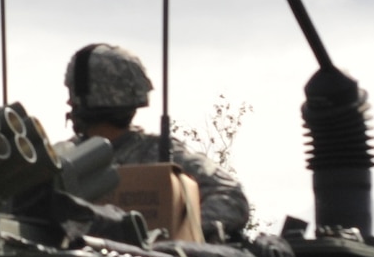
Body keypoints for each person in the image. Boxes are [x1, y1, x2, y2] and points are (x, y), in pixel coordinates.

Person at [64, 42, 250, 239]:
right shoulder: (66, 159)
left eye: (72, 94)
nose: (69, 102)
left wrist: (178, 232)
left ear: (83, 99)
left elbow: (231, 198)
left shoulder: (162, 155)